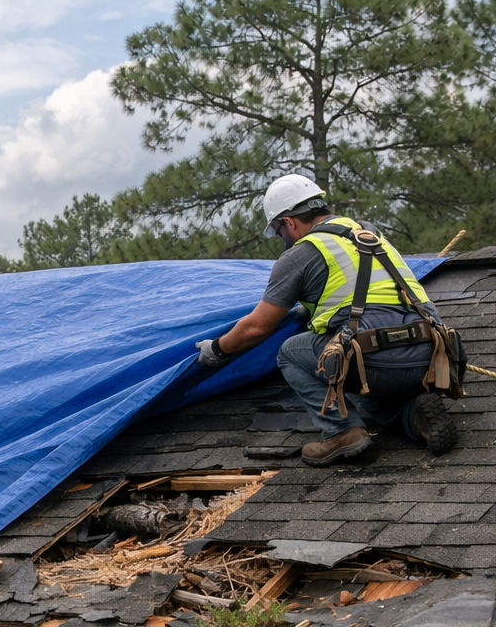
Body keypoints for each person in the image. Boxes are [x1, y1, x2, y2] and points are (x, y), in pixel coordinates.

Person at [195, 174, 458, 466]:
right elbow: (361, 288)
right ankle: (414, 415)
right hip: (430, 357)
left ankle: (342, 431)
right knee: (368, 397)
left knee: (289, 353)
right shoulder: (368, 233)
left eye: (278, 230)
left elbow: (258, 326)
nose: (282, 238)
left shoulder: (300, 254)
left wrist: (217, 349)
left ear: (290, 222)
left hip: (375, 359)